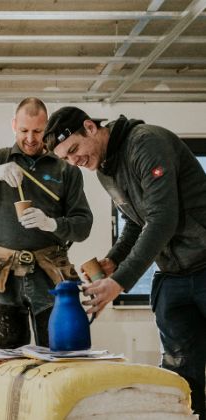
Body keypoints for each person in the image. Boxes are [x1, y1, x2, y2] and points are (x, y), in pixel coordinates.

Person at [43, 106, 206, 420]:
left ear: (90, 127)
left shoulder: (146, 143)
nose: (74, 161)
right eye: (66, 158)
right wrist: (113, 261)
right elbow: (135, 222)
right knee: (182, 374)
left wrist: (119, 283)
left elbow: (162, 220)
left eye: (74, 149)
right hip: (173, 274)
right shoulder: (105, 169)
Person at [0, 98, 93, 349]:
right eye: (24, 130)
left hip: (50, 274)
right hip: (4, 275)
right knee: (8, 355)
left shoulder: (65, 168)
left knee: (57, 351)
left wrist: (52, 224)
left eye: (38, 131)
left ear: (47, 127)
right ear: (14, 125)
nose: (31, 139)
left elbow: (83, 225)